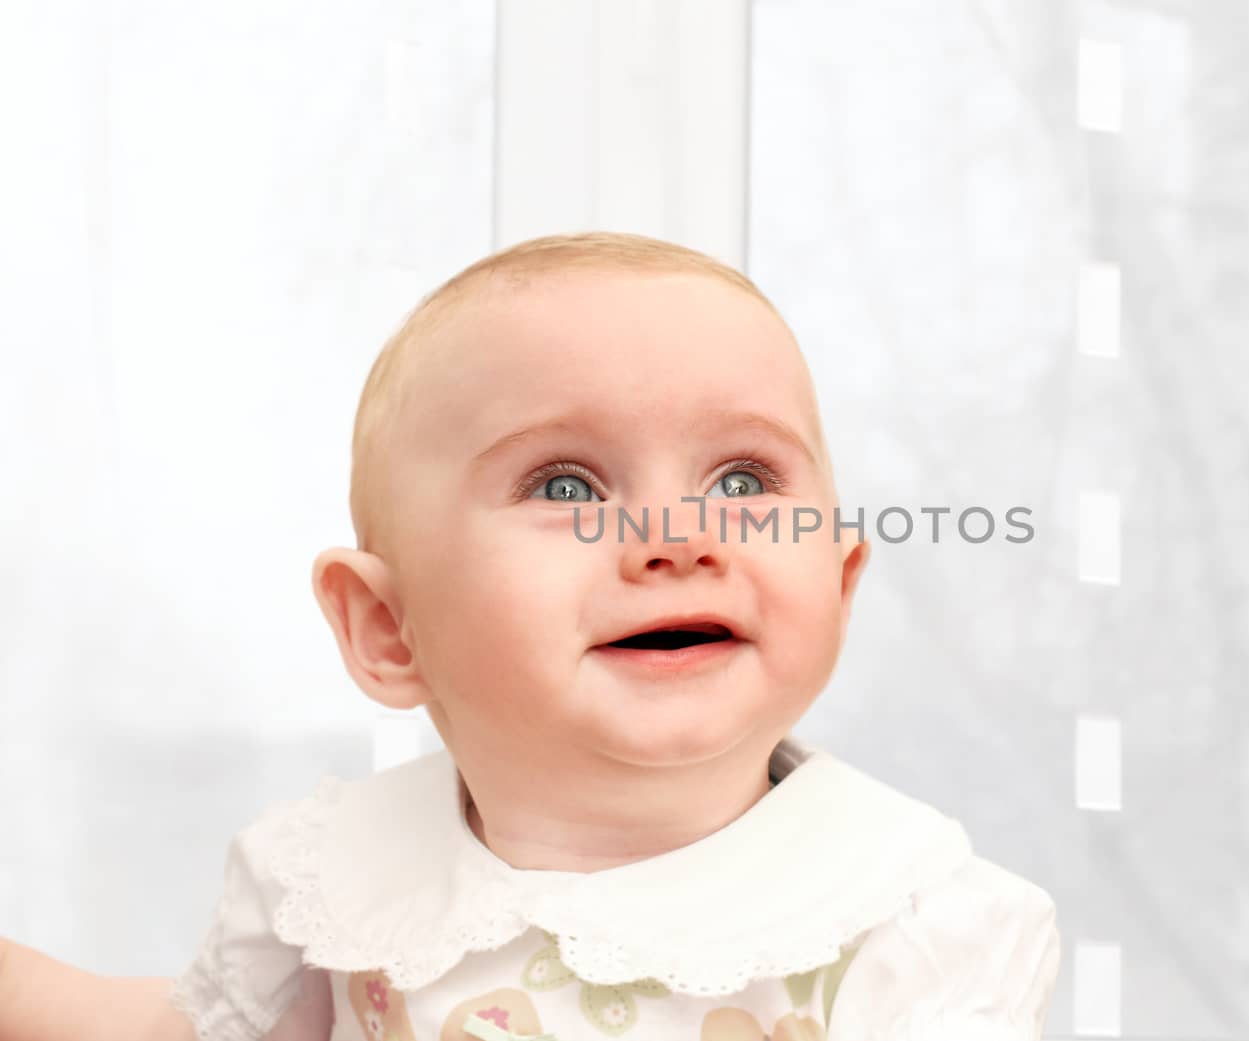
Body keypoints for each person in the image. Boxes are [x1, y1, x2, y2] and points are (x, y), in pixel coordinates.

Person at [0, 232, 1060, 1041]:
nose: (674, 538)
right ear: (388, 630)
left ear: (839, 579)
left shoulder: (911, 916)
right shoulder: (333, 881)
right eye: (566, 484)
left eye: (743, 479)